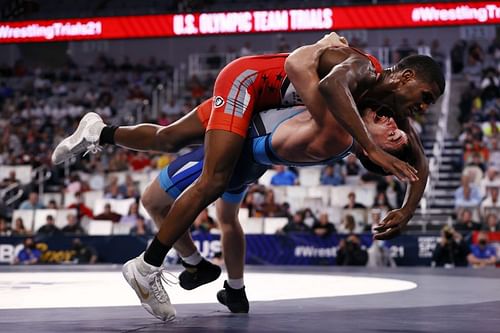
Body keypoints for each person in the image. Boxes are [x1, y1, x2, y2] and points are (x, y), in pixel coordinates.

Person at [52, 33, 444, 320]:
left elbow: (421, 161)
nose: (421, 109)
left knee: (168, 137)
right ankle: (146, 266)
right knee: (215, 179)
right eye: (424, 97)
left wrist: (408, 211)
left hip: (261, 105)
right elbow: (324, 80)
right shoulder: (363, 69)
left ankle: (97, 131)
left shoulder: (386, 105)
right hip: (249, 83)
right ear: (405, 76)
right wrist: (372, 147)